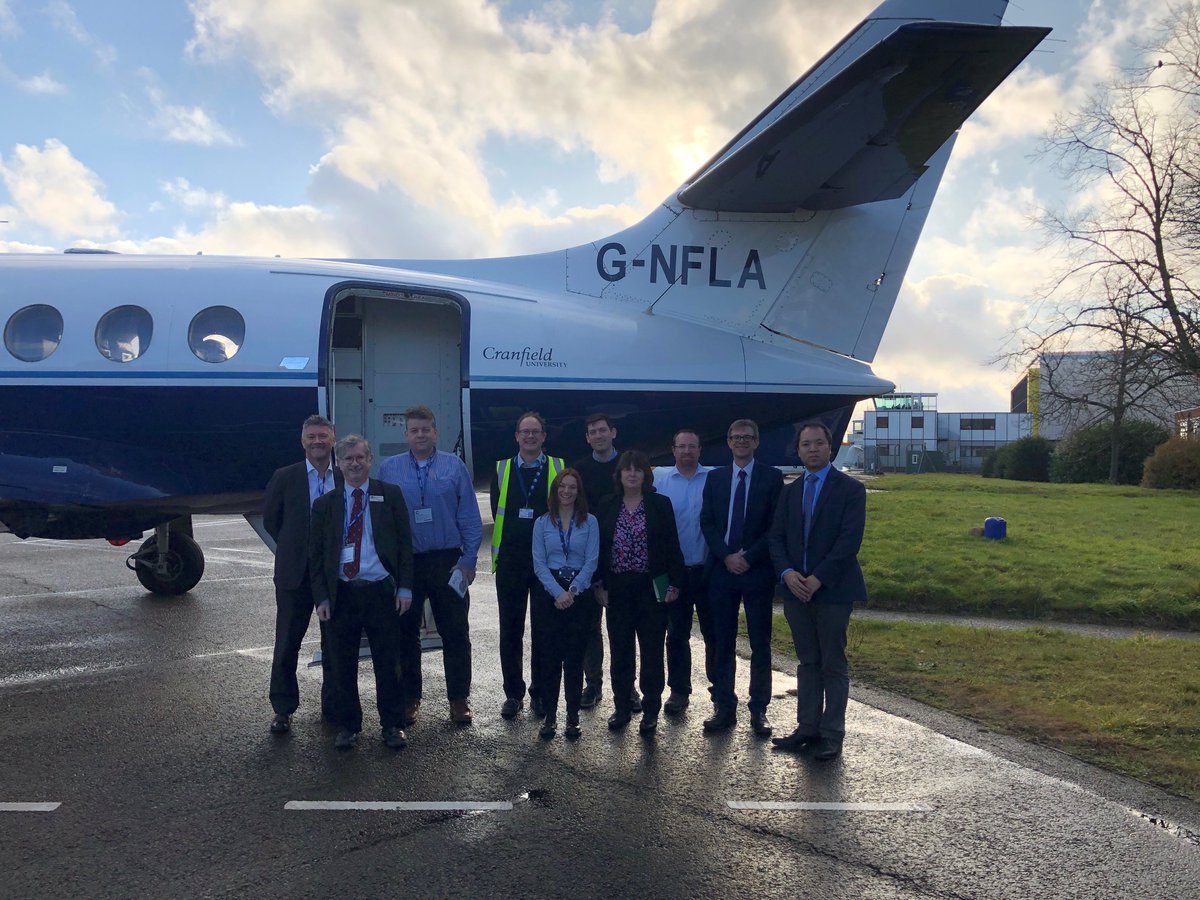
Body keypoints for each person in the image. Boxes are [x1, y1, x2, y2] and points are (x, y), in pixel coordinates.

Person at [768, 421, 867, 761]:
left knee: (833, 663)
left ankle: (831, 733)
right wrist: (787, 573)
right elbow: (776, 537)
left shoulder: (851, 490)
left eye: (819, 443)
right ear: (798, 450)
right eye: (806, 444)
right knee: (808, 661)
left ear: (830, 447)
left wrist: (818, 578)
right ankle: (807, 727)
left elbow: (848, 541)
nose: (812, 449)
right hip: (795, 590)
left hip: (833, 590)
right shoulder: (790, 492)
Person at [380, 405, 482, 727]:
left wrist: (468, 561)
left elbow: (469, 515)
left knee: (456, 631)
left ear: (435, 433)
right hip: (407, 562)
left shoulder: (454, 467)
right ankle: (410, 698)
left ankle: (459, 699)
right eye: (414, 430)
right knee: (405, 633)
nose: (420, 435)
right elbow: (382, 519)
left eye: (426, 429)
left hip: (446, 560)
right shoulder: (389, 469)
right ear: (406, 434)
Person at [310, 435, 414, 751]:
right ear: (338, 464)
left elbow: (404, 544)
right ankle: (348, 726)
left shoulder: (389, 494)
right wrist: (321, 597)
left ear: (370, 460)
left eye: (360, 458)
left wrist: (405, 587)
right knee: (342, 665)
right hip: (342, 594)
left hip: (381, 591)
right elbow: (316, 556)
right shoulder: (325, 505)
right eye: (348, 459)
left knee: (389, 662)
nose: (354, 464)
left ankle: (392, 725)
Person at [699, 418, 783, 737]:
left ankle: (759, 708)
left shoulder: (772, 478)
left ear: (757, 441)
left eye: (747, 437)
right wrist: (727, 556)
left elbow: (775, 526)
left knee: (760, 642)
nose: (741, 441)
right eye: (736, 437)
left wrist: (748, 557)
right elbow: (707, 523)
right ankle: (724, 705)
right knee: (722, 641)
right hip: (723, 570)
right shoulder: (716, 478)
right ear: (729, 442)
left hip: (757, 570)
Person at [262, 414, 342, 734]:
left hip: (333, 577)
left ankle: (333, 707)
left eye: (323, 436)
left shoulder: (343, 476)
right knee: (287, 643)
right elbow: (272, 521)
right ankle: (283, 708)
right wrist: (295, 548)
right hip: (294, 575)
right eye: (312, 437)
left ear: (333, 439)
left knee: (334, 643)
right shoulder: (285, 477)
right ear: (302, 441)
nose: (317, 441)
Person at [596, 451, 684, 736]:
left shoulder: (660, 504)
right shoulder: (607, 504)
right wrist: (599, 585)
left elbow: (672, 546)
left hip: (651, 587)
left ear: (646, 475)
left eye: (638, 469)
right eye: (627, 469)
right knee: (620, 651)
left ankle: (650, 710)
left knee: (652, 651)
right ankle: (622, 706)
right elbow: (599, 549)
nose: (632, 474)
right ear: (619, 475)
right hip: (618, 588)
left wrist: (674, 584)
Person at [490, 411, 564, 720]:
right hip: (511, 561)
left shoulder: (559, 467)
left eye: (535, 431)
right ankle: (513, 694)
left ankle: (540, 692)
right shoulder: (501, 469)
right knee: (510, 630)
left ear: (544, 436)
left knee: (544, 631)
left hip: (546, 563)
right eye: (525, 431)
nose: (530, 436)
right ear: (517, 436)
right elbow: (497, 511)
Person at [570, 413, 639, 712]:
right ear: (587, 438)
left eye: (602, 430)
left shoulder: (629, 465)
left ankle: (628, 688)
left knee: (624, 629)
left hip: (622, 558)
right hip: (588, 557)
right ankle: (593, 684)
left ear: (613, 432)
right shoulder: (580, 470)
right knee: (590, 627)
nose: (598, 436)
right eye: (592, 432)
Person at [531, 469, 599, 740]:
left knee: (574, 658)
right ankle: (549, 717)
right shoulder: (542, 523)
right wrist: (558, 592)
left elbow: (591, 561)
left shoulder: (590, 522)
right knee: (549, 659)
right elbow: (539, 563)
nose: (567, 491)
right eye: (562, 486)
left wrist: (572, 591)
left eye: (572, 487)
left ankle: (572, 718)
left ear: (578, 491)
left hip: (578, 595)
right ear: (555, 491)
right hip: (550, 595)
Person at [652, 429, 714, 715]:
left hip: (708, 570)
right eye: (682, 446)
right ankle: (678, 691)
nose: (687, 451)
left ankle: (720, 690)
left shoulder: (714, 478)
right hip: (673, 572)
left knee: (715, 633)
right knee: (676, 633)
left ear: (700, 449)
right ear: (673, 449)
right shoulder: (660, 479)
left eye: (692, 446)